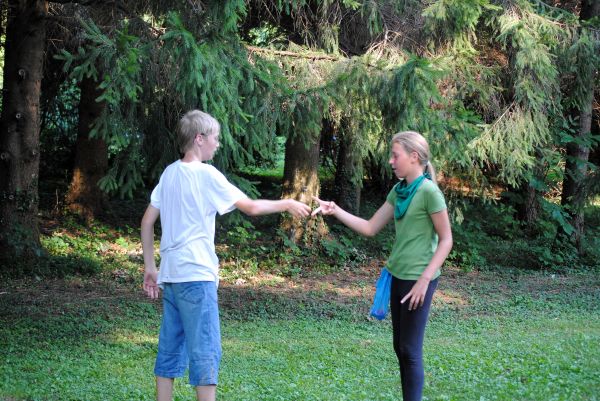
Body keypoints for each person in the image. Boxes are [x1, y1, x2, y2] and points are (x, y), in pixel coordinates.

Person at [141, 110, 311, 401]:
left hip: (171, 276)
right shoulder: (207, 175)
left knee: (169, 348)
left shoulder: (168, 173)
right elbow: (252, 207)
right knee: (205, 349)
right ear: (199, 139)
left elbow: (146, 222)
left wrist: (150, 267)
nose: (218, 144)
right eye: (215, 139)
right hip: (197, 276)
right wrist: (286, 204)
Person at [312, 131, 452, 401]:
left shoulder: (429, 192)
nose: (391, 160)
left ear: (414, 157)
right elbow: (370, 227)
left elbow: (446, 240)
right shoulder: (399, 191)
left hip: (418, 280)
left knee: (410, 350)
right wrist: (335, 210)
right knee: (400, 348)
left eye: (395, 155)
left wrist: (424, 280)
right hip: (397, 274)